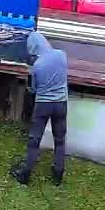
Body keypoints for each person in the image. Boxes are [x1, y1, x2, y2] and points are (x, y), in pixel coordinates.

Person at [12, 31, 69, 186]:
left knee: (34, 141)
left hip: (43, 105)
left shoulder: (37, 66)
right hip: (61, 103)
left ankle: (25, 174)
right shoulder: (61, 55)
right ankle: (58, 175)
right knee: (60, 140)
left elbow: (34, 89)